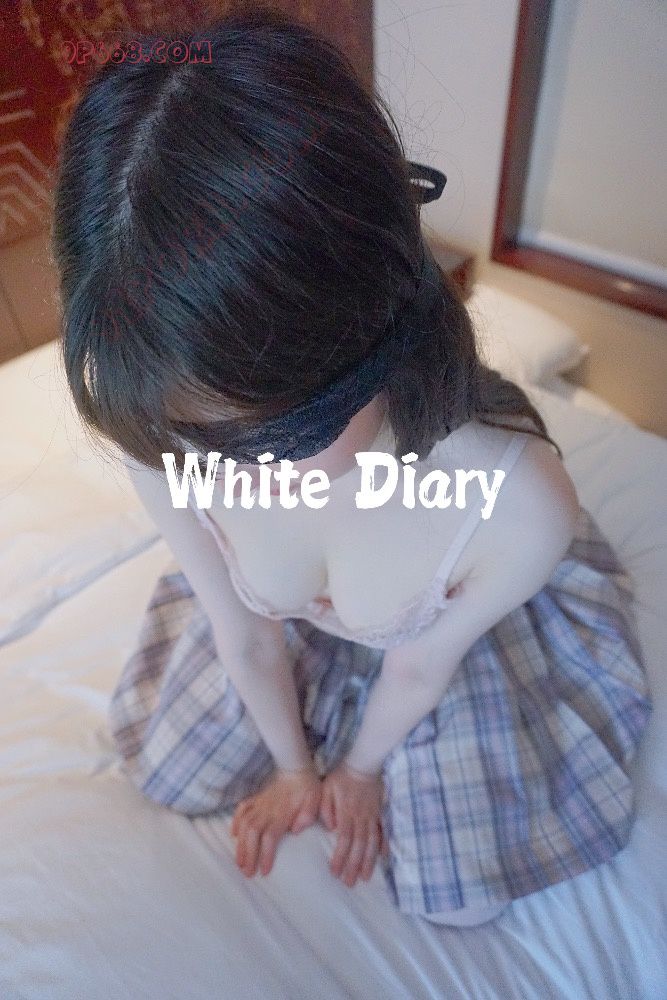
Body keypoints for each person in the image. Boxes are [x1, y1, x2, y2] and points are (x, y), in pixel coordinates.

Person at [51, 10, 651, 927]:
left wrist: (360, 771)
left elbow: (417, 668)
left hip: (435, 634)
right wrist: (296, 770)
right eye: (192, 434)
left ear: (371, 331)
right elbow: (241, 632)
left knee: (457, 898)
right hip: (290, 624)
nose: (224, 475)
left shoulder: (512, 502)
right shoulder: (166, 440)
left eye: (266, 433)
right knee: (171, 775)